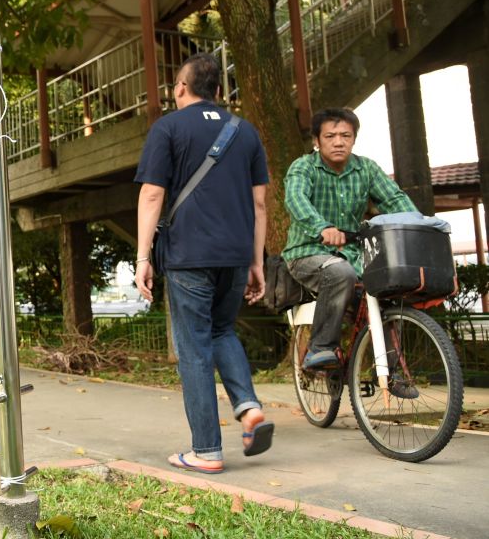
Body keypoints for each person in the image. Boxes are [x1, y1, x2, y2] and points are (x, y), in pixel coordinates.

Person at [134, 53, 273, 474]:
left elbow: (153, 195)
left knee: (194, 347)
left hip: (189, 255)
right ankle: (248, 407)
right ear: (217, 90)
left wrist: (142, 257)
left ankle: (207, 450)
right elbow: (260, 203)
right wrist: (257, 262)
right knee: (221, 330)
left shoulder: (168, 128)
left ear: (181, 87)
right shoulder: (244, 132)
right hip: (234, 255)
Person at [284, 108, 417, 369]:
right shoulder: (304, 167)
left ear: (354, 138)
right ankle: (320, 348)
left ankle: (393, 370)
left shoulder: (366, 168)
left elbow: (394, 199)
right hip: (307, 252)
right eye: (330, 136)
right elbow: (295, 199)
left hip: (355, 253)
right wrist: (322, 227)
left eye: (345, 135)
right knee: (340, 272)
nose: (338, 141)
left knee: (390, 287)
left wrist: (418, 225)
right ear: (316, 141)